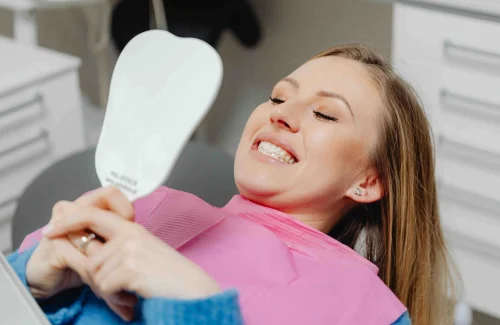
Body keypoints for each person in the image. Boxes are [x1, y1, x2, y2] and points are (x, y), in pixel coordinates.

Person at [8, 44, 457, 325]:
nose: (279, 112)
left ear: (368, 180)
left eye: (324, 113)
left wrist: (197, 305)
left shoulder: (361, 308)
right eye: (278, 96)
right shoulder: (147, 204)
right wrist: (27, 281)